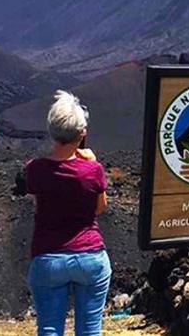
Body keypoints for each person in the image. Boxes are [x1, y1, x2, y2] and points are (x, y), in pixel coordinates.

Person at [25, 91, 110, 336]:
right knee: (90, 330)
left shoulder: (35, 170)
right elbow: (100, 208)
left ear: (52, 131)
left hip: (48, 257)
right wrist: (91, 162)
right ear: (82, 133)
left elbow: (38, 200)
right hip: (90, 255)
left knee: (50, 328)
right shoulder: (93, 170)